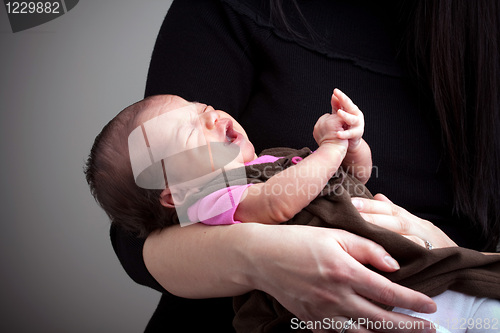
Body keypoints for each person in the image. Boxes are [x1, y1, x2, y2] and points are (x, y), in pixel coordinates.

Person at [106, 0, 500, 332]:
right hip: (346, 306)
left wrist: (350, 147)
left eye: (206, 108)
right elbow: (278, 205)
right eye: (193, 131)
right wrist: (327, 150)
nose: (212, 117)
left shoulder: (272, 158)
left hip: (430, 273)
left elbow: (352, 183)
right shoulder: (212, 198)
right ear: (174, 192)